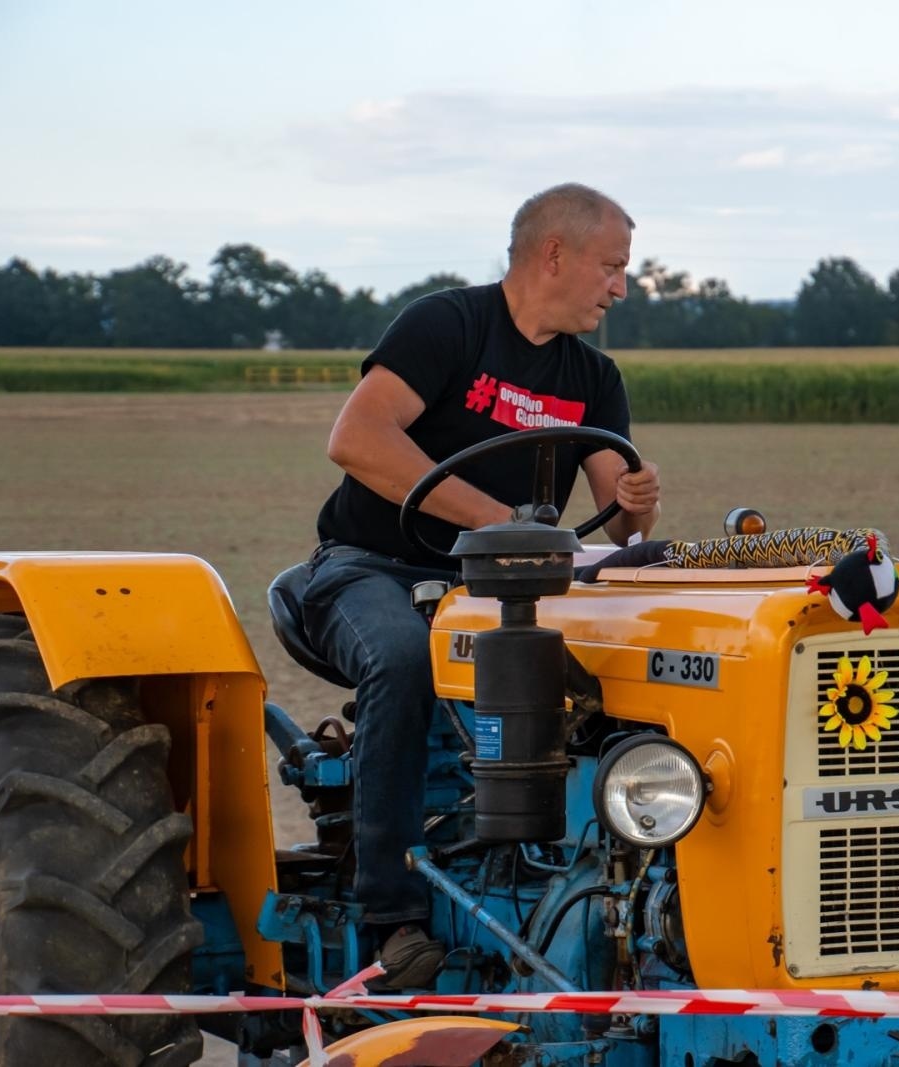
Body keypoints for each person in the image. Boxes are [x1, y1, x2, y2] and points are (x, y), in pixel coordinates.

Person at [302, 183, 660, 987]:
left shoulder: (593, 377)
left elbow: (619, 519)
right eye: (613, 267)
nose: (621, 288)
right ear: (555, 254)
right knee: (401, 657)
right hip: (373, 567)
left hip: (511, 583)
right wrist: (499, 521)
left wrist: (638, 504)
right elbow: (356, 437)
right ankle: (390, 916)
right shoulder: (449, 324)